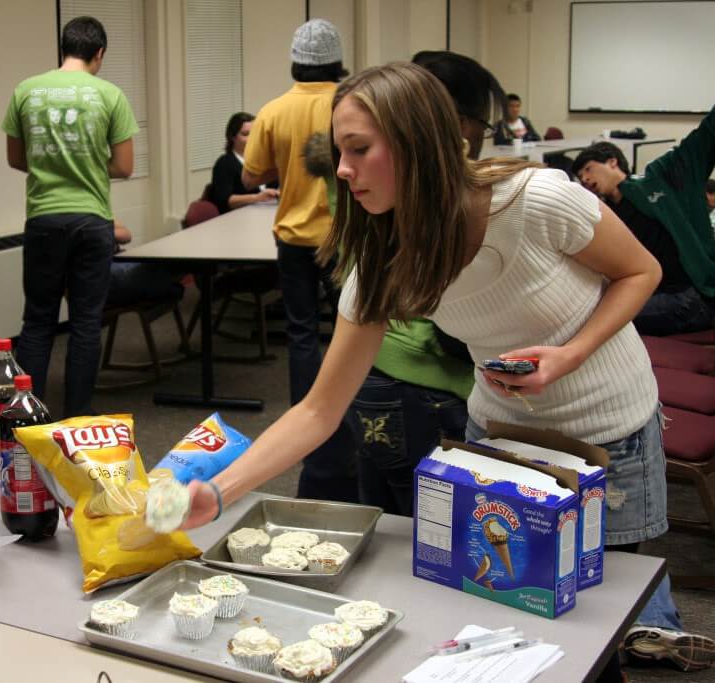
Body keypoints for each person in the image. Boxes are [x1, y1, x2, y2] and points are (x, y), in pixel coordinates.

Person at [182, 63, 714, 674]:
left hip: (608, 432)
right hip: (504, 440)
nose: (344, 170)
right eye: (339, 153)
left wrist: (571, 353)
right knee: (513, 613)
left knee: (595, 625)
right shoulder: (384, 258)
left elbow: (639, 271)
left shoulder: (535, 200)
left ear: (417, 141)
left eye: (359, 149)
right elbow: (319, 409)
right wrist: (220, 493)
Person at [334, 51, 504, 516]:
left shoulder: (384, 186)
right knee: (433, 530)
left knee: (387, 522)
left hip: (378, 376)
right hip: (421, 380)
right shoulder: (417, 199)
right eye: (479, 125)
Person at [241, 18, 355, 502]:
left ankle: (305, 415)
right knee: (353, 327)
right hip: (344, 235)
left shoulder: (273, 110)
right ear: (336, 60)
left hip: (292, 237)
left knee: (301, 331)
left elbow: (250, 177)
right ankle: (348, 406)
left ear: (295, 61)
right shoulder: (349, 105)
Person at [2, 16, 138, 418]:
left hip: (43, 219)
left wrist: (55, 164)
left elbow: (15, 158)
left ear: (63, 48)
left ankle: (28, 416)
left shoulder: (26, 90)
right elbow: (125, 166)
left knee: (37, 321)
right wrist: (90, 164)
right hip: (92, 220)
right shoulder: (110, 95)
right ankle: (77, 416)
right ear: (99, 54)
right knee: (85, 323)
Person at [572, 138, 715, 336]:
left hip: (689, 297)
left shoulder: (656, 181)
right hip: (652, 293)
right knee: (582, 312)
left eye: (588, 169)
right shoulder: (605, 215)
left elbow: (702, 139)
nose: (585, 179)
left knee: (595, 319)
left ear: (612, 162)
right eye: (580, 176)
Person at [209, 112, 278, 214]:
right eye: (245, 134)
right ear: (232, 137)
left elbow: (276, 185)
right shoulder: (224, 164)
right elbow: (225, 200)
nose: (251, 138)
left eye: (254, 134)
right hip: (238, 219)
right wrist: (257, 197)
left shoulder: (263, 159)